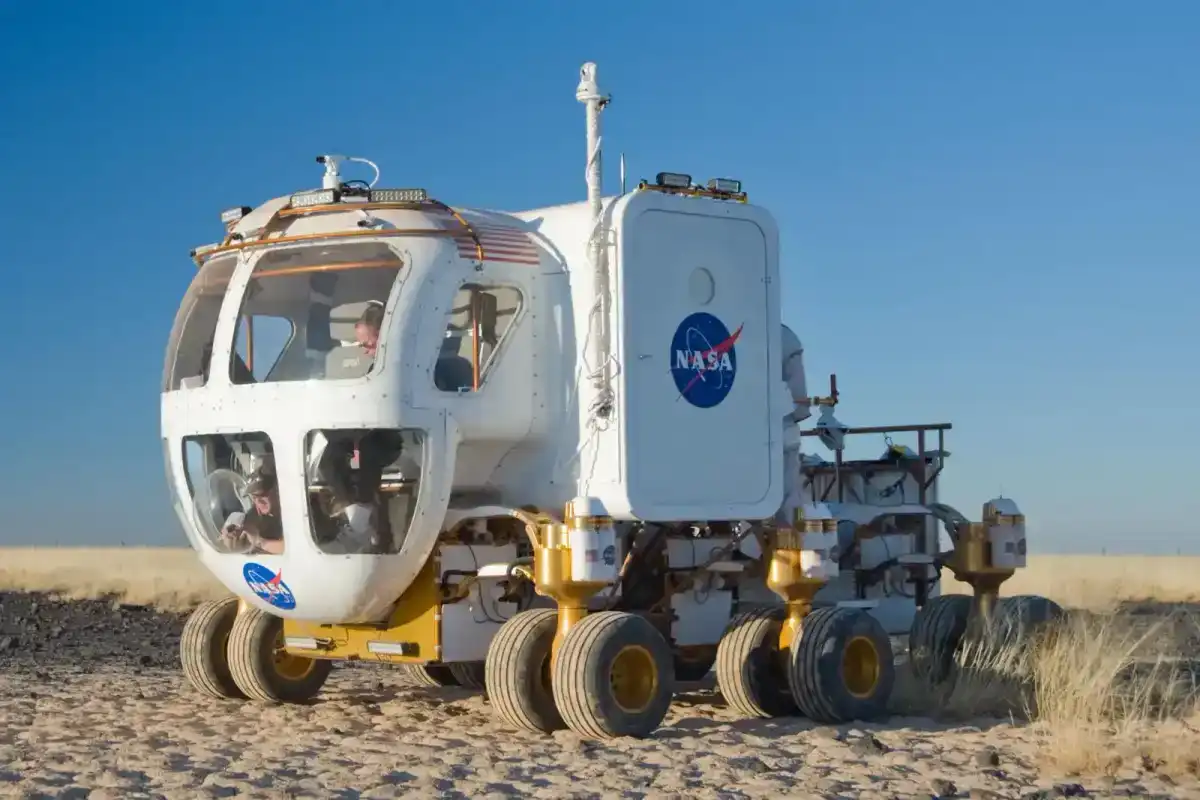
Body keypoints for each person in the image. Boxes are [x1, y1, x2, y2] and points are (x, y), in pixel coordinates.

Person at [218, 471, 285, 554]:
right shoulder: (255, 514)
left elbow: (291, 548)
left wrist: (258, 541)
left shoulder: (290, 510)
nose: (258, 501)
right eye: (254, 496)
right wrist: (231, 535)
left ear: (277, 490)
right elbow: (246, 527)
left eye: (262, 494)